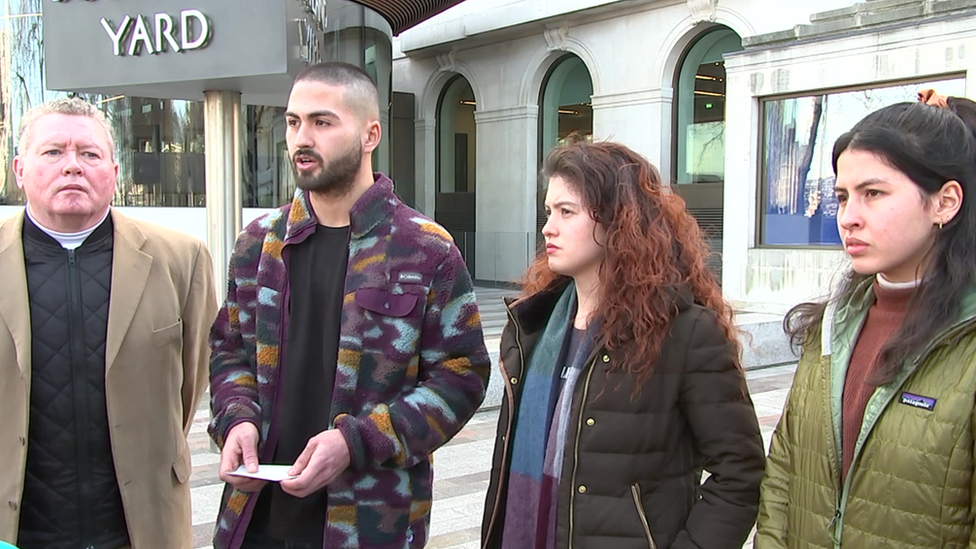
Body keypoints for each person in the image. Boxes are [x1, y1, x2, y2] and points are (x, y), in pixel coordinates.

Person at [208, 61, 491, 549]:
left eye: (322, 122)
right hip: (257, 517)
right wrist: (236, 419)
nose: (301, 138)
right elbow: (229, 351)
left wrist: (357, 441)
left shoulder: (425, 249)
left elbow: (461, 376)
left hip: (368, 524)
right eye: (293, 122)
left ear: (370, 134)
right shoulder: (257, 244)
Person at [481, 140, 766, 549]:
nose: (548, 227)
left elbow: (740, 474)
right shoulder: (532, 325)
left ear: (618, 220)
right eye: (549, 211)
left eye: (567, 212)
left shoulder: (683, 332)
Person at [755, 90, 976, 547]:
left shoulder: (965, 344)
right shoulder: (832, 328)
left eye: (873, 193)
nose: (848, 217)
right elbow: (783, 478)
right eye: (842, 196)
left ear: (945, 202)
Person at [0, 97, 217, 548]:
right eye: (53, 152)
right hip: (21, 529)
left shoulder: (181, 259)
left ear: (115, 174)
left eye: (89, 153)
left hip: (139, 529)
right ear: (19, 170)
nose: (72, 166)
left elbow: (192, 381)